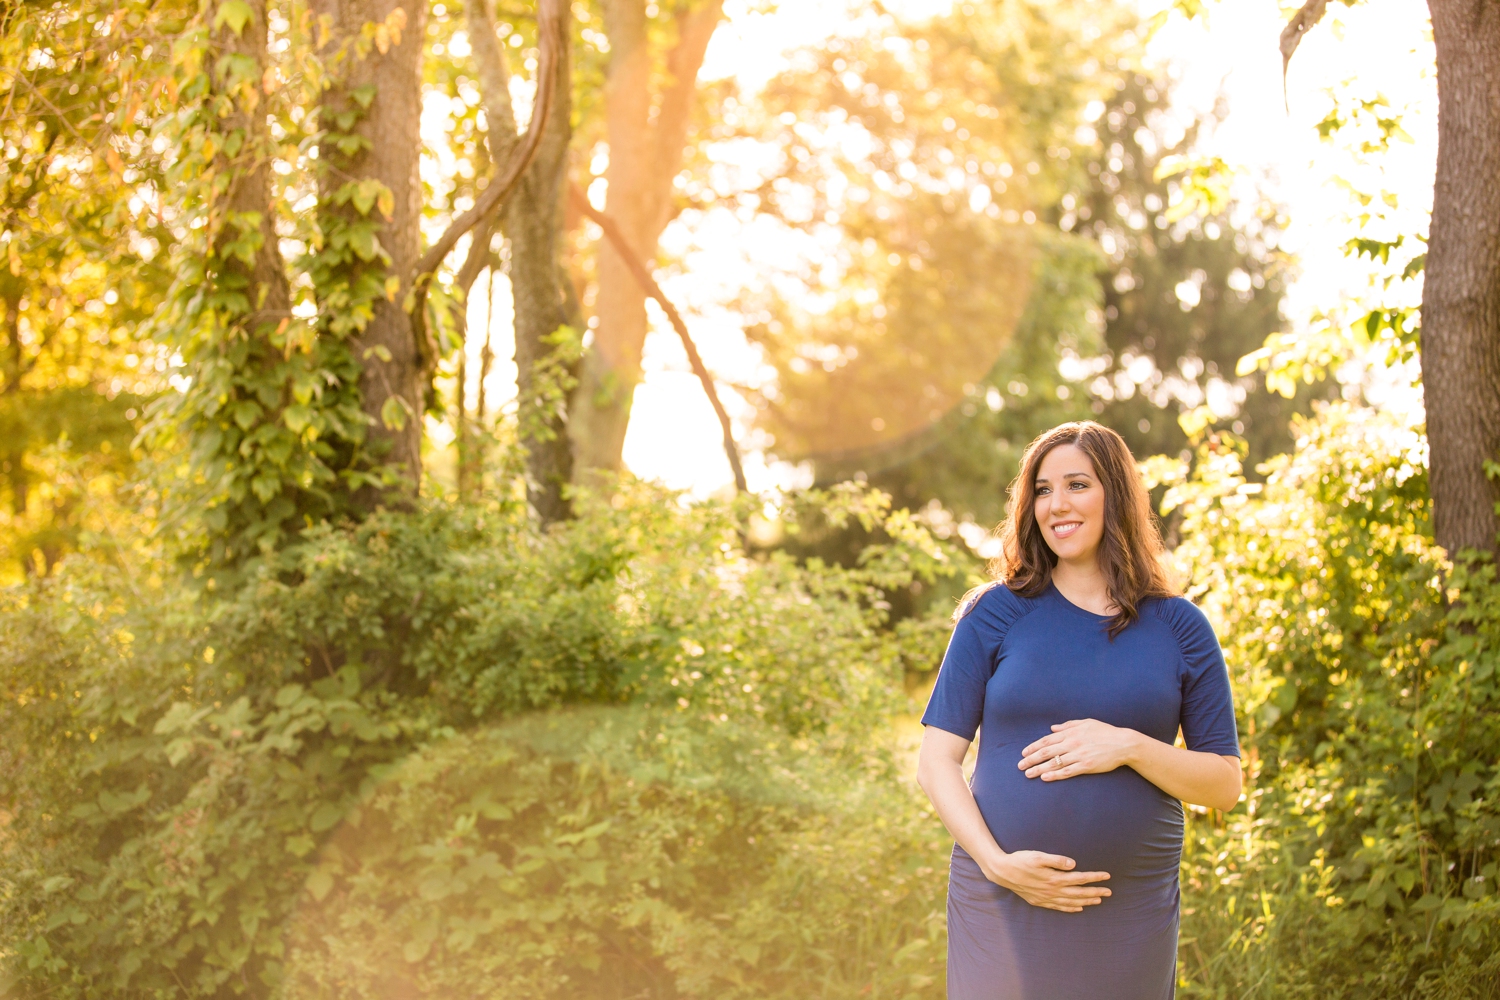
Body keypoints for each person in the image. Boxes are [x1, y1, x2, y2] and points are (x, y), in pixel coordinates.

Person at [916, 421, 1241, 1000]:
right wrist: (996, 864)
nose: (1056, 505)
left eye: (1076, 484)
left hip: (1129, 913)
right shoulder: (993, 614)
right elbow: (936, 763)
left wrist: (1131, 746)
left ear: (1115, 493)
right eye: (1042, 490)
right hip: (1000, 900)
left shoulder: (1179, 627)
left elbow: (1223, 785)